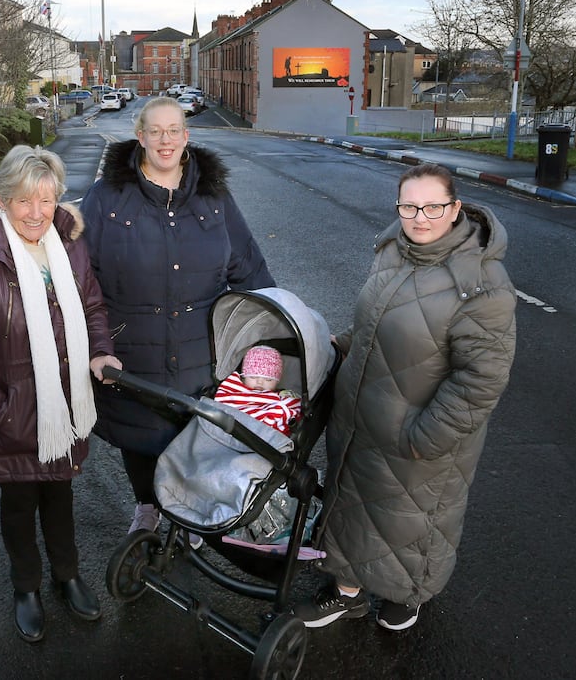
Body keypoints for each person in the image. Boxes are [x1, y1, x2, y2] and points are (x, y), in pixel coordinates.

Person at [294, 163, 516, 632]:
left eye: (433, 206)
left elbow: (481, 378)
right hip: (361, 416)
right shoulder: (393, 251)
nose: (420, 217)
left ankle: (408, 594)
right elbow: (378, 321)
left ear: (455, 209)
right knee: (354, 505)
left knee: (413, 521)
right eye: (409, 205)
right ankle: (347, 592)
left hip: (422, 431)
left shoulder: (484, 284)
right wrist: (340, 344)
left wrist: (425, 437)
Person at [0, 145, 122, 644]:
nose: (37, 213)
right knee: (18, 504)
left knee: (60, 494)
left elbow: (93, 306)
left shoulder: (68, 240)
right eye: (23, 201)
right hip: (11, 414)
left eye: (47, 200)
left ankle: (67, 575)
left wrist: (100, 353)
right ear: (1, 198)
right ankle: (26, 587)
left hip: (65, 405)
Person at [80, 96, 275, 536]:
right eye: (155, 131)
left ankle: (189, 511)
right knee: (140, 435)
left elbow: (249, 266)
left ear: (186, 137)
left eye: (174, 130)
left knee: (195, 435)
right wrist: (94, 342)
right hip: (133, 344)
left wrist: (270, 335)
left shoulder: (213, 198)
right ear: (140, 136)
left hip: (199, 345)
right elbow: (80, 275)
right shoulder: (106, 198)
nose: (164, 140)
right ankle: (147, 506)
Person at [214, 345, 301, 436]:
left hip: (255, 434)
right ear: (244, 376)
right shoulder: (233, 389)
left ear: (277, 382)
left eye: (268, 379)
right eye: (253, 377)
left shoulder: (280, 397)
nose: (259, 382)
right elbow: (223, 401)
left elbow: (292, 406)